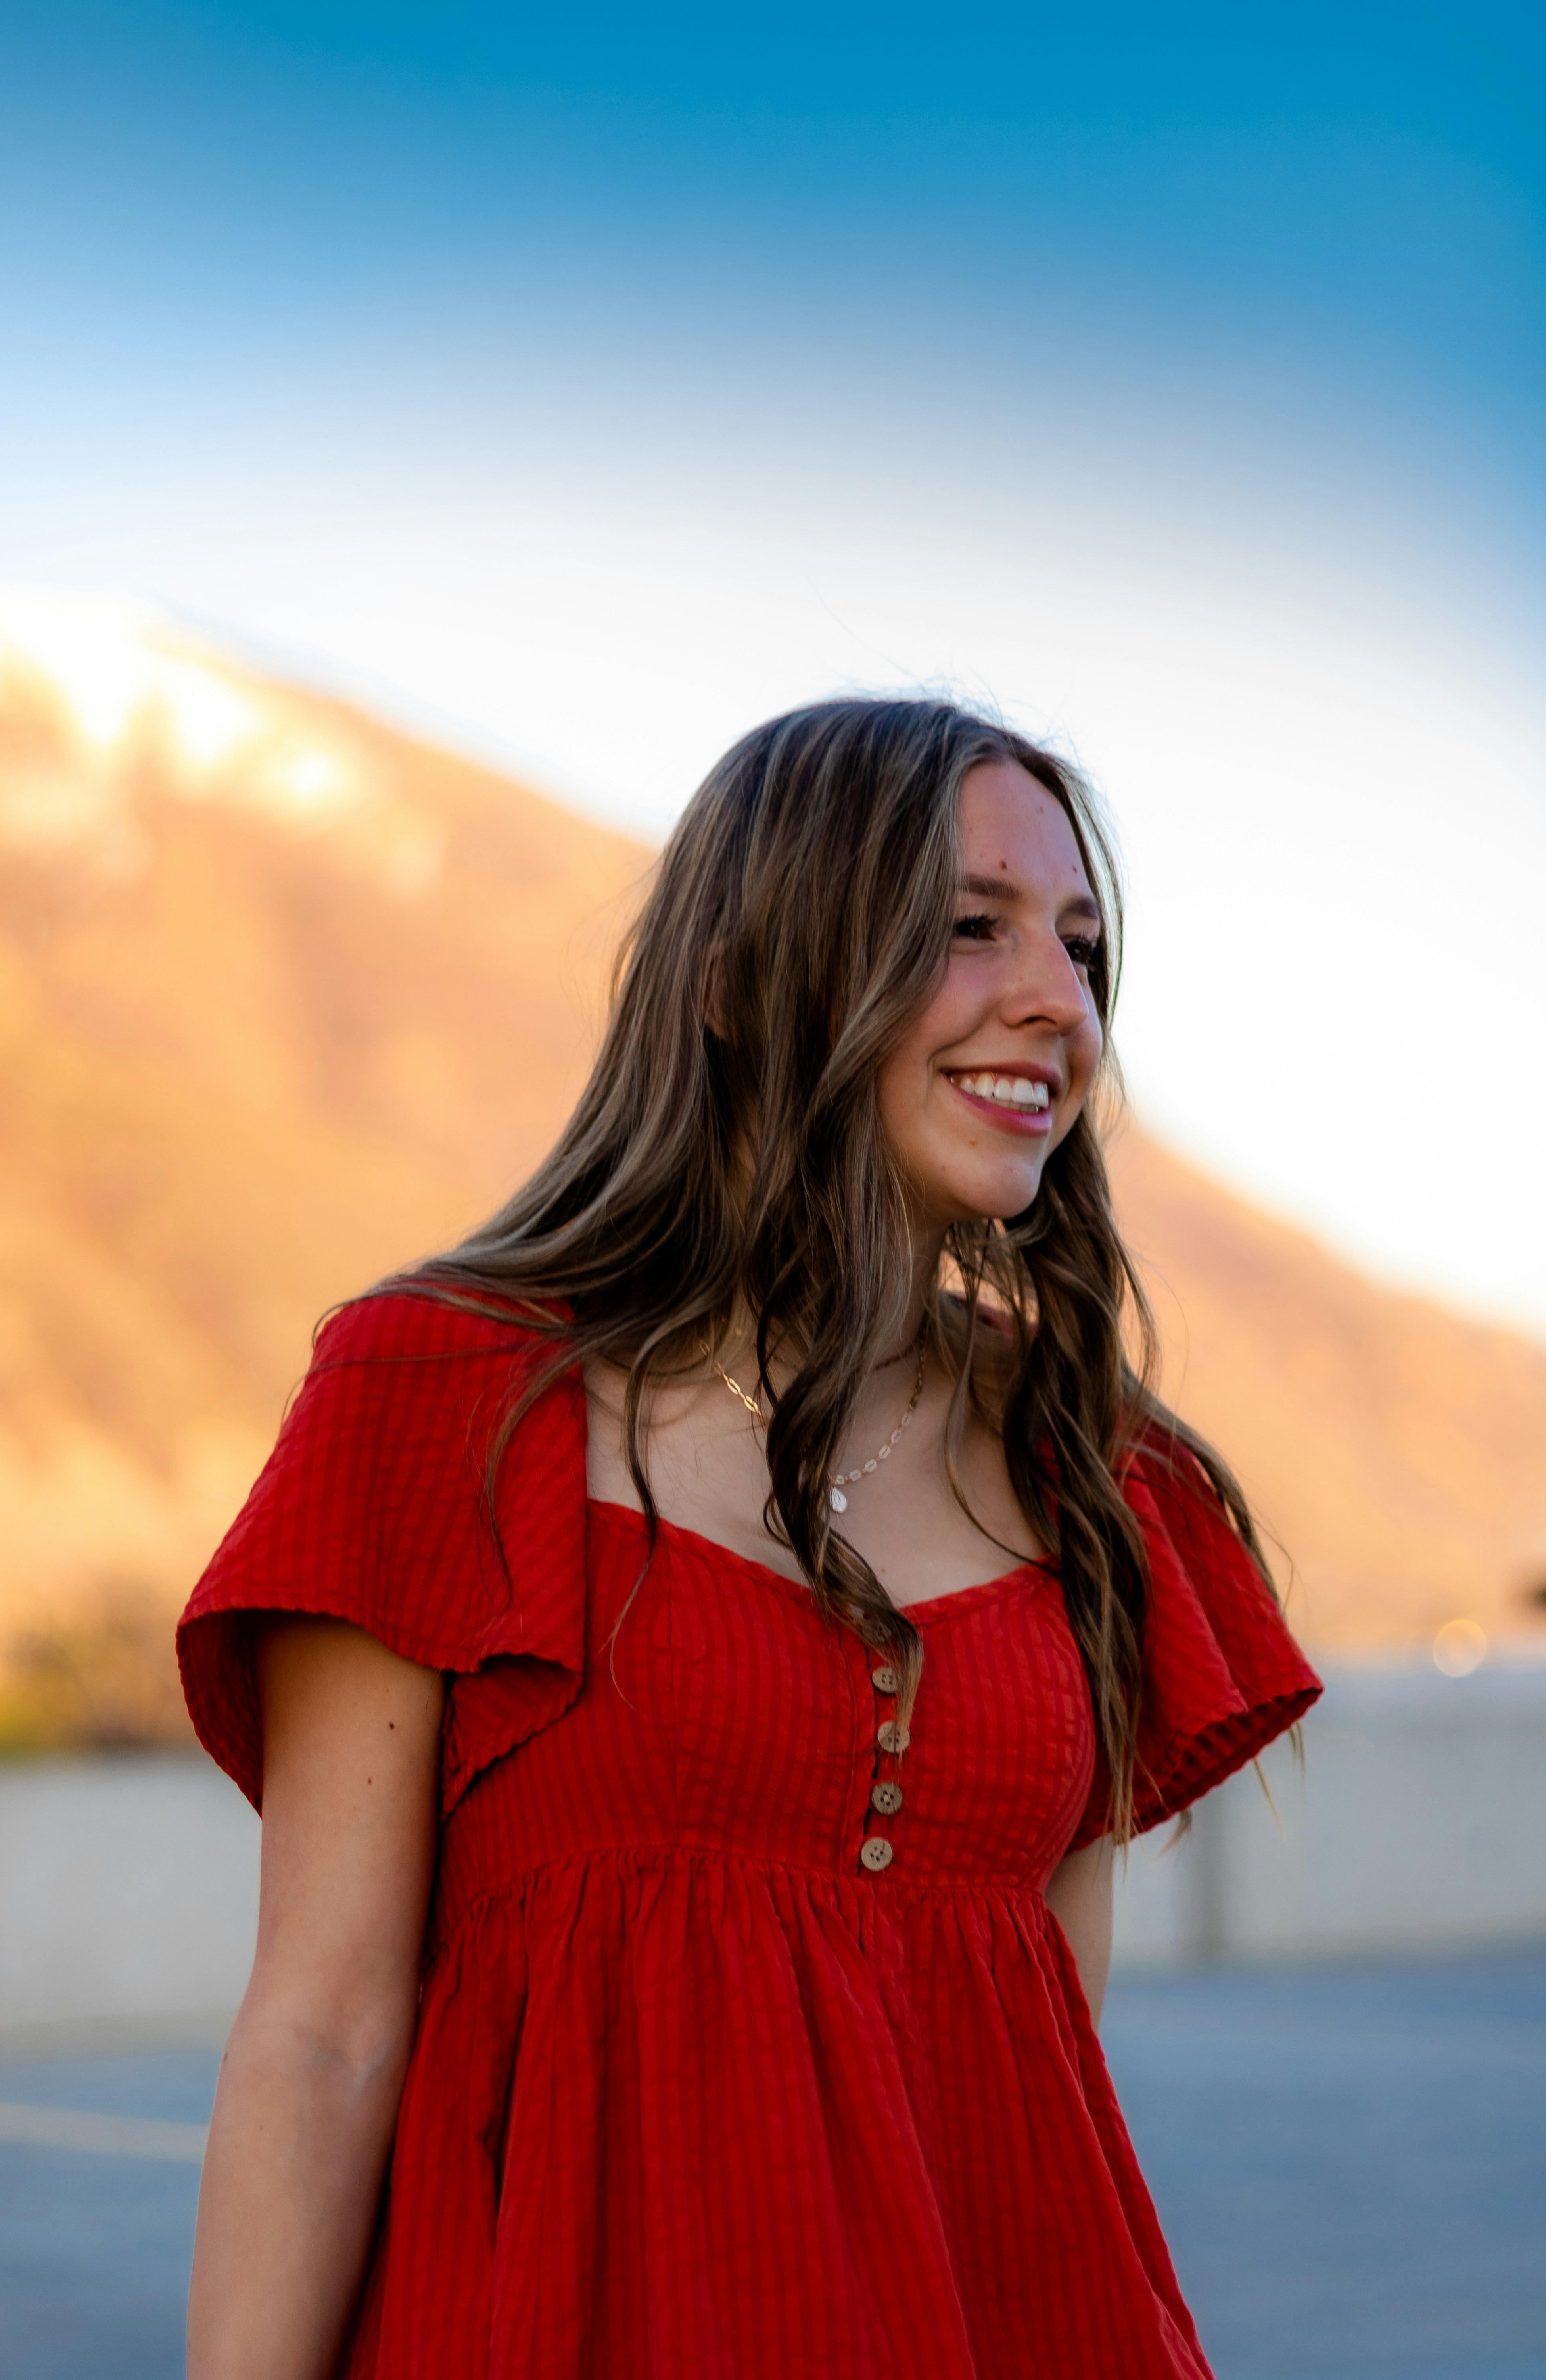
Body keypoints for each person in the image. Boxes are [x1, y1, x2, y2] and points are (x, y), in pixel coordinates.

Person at [180, 697, 1320, 2379]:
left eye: (1080, 948)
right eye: (966, 928)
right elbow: (324, 2035)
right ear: (735, 984)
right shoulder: (441, 1397)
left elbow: (1040, 2059)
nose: (1055, 1004)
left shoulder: (1096, 1477)